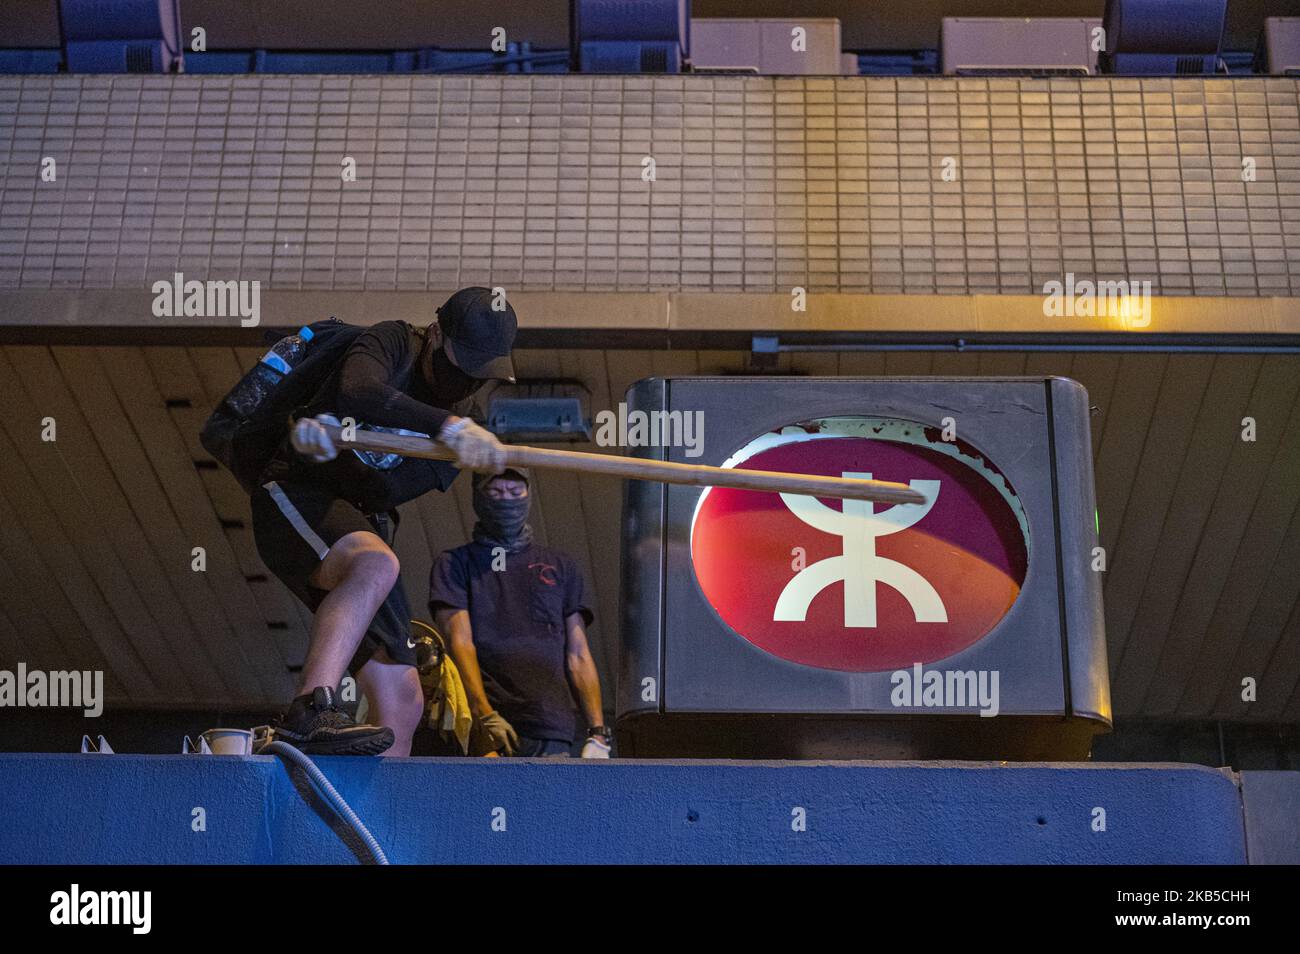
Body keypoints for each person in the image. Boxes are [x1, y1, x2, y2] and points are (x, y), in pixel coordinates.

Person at [251, 287, 515, 756]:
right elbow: (360, 390)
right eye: (462, 363)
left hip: (356, 518)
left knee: (404, 701)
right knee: (376, 564)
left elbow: (385, 491)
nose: (466, 381)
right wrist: (443, 426)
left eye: (481, 372)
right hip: (293, 488)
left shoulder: (465, 424)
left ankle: (360, 825)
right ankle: (309, 711)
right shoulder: (393, 343)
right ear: (436, 334)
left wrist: (342, 454)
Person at [429, 468, 612, 758]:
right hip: (487, 724)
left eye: (515, 493)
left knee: (550, 802)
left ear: (528, 496)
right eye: (496, 493)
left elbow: (578, 653)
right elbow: (459, 641)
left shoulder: (560, 565)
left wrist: (598, 734)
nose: (507, 501)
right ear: (478, 498)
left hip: (552, 724)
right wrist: (484, 714)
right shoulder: (454, 564)